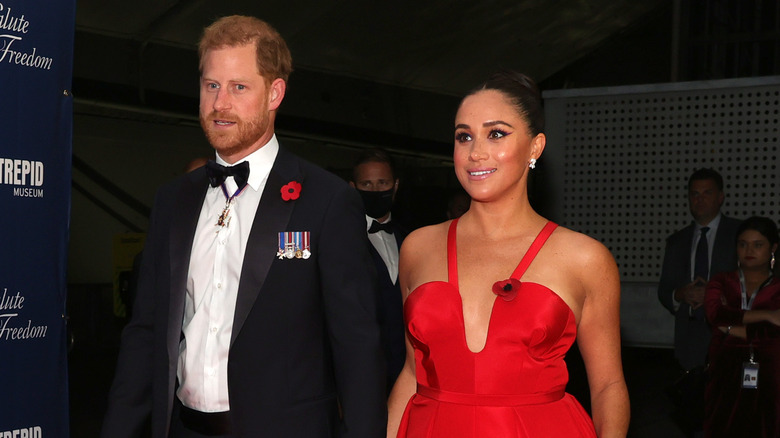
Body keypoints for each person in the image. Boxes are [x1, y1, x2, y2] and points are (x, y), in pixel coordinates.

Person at [101, 15, 386, 438]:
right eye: (211, 85)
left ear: (275, 93)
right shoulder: (172, 200)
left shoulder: (326, 200)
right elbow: (145, 332)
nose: (219, 103)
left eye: (238, 87)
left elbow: (357, 349)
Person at [386, 71, 629, 438]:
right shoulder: (418, 247)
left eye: (496, 133)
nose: (475, 152)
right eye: (463, 136)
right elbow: (411, 371)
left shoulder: (584, 258)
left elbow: (608, 385)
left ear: (535, 147)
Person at [657, 168, 741, 435]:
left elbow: (756, 284)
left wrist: (714, 296)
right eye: (694, 194)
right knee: (695, 420)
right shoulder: (677, 240)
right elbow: (664, 291)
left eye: (707, 193)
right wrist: (681, 294)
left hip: (730, 340)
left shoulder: (740, 235)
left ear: (721, 197)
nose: (700, 200)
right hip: (690, 342)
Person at [703, 216, 780, 438]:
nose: (749, 250)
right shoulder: (721, 281)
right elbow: (714, 314)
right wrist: (767, 315)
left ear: (772, 248)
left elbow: (774, 334)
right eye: (743, 244)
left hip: (770, 372)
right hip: (723, 369)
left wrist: (729, 327)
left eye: (758, 245)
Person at [349, 148, 408, 392]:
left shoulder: (412, 239)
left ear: (395, 186)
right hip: (360, 376)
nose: (375, 191)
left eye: (382, 182)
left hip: (408, 374)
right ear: (353, 188)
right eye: (367, 184)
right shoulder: (341, 240)